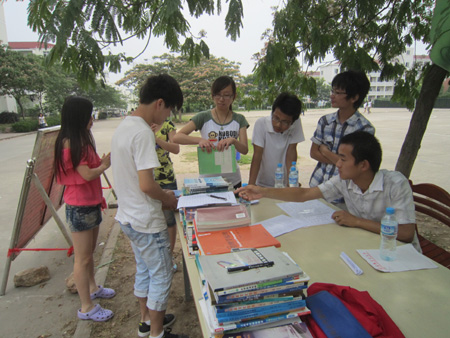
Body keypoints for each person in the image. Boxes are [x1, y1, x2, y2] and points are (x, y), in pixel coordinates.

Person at [237, 131, 419, 250]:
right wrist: (262, 191)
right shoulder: (344, 180)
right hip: (365, 246)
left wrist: (356, 221)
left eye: (343, 159)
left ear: (363, 165)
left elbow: (405, 233)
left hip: (398, 254)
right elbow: (305, 194)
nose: (337, 164)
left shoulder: (395, 184)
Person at [111, 74, 187, 338]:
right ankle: (156, 333)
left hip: (128, 217)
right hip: (145, 221)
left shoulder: (124, 126)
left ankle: (146, 321)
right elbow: (146, 185)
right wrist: (168, 199)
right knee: (163, 275)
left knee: (144, 269)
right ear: (160, 103)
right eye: (168, 111)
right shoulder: (143, 132)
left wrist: (159, 190)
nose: (166, 118)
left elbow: (136, 180)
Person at [54, 96, 115, 322]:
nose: (93, 118)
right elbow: (88, 174)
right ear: (79, 116)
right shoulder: (70, 142)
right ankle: (86, 306)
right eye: (90, 114)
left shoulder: (82, 138)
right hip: (79, 206)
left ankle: (93, 287)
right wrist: (103, 165)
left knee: (89, 255)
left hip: (90, 202)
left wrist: (99, 164)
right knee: (82, 259)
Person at [173, 76, 249, 189]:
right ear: (212, 96)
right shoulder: (203, 117)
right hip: (208, 180)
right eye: (217, 94)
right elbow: (176, 137)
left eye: (226, 95)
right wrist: (200, 140)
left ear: (234, 96)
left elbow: (245, 150)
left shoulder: (239, 119)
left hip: (233, 181)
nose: (221, 99)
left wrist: (233, 141)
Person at [309, 70, 375, 190]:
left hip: (342, 193)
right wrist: (341, 161)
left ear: (354, 97)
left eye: (338, 92)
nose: (332, 95)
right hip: (318, 183)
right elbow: (313, 152)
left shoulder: (364, 129)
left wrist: (326, 151)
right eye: (333, 91)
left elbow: (356, 166)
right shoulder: (325, 121)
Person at [249, 92, 305, 187]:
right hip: (263, 183)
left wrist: (290, 184)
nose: (278, 124)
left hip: (283, 184)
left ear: (292, 121)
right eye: (276, 118)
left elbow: (291, 152)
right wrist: (251, 185)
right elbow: (257, 155)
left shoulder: (296, 124)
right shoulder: (261, 123)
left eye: (285, 122)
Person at [150, 119, 179, 269]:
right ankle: (155, 258)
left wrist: (155, 139)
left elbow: (175, 148)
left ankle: (169, 256)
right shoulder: (142, 124)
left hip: (166, 177)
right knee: (151, 219)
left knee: (169, 219)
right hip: (147, 179)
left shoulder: (168, 125)